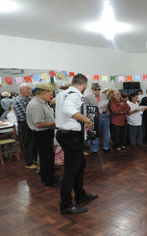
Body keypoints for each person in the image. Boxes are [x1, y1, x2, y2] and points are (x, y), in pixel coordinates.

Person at [55, 74, 98, 215]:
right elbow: (68, 110)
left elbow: (54, 103)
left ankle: (81, 195)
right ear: (84, 84)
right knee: (71, 171)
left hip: (66, 134)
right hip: (70, 136)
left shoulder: (63, 93)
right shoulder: (74, 94)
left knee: (80, 166)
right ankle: (65, 205)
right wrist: (87, 120)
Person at [26, 83, 60, 186]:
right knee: (47, 157)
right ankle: (49, 180)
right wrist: (56, 123)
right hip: (42, 134)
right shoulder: (36, 105)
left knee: (48, 157)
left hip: (46, 133)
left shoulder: (43, 102)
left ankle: (47, 176)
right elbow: (39, 124)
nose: (51, 95)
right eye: (50, 93)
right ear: (43, 93)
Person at [12, 83, 38, 169]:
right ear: (21, 90)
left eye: (30, 89)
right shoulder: (18, 100)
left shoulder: (31, 99)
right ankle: (28, 163)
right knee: (28, 143)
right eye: (27, 89)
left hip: (33, 122)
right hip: (24, 123)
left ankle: (35, 159)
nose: (29, 91)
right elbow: (25, 115)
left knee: (35, 142)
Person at [84, 83, 111, 156]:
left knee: (106, 132)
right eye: (96, 89)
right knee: (95, 132)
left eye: (99, 89)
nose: (98, 91)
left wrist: (108, 113)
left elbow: (108, 106)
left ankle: (106, 147)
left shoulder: (104, 96)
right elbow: (86, 108)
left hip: (104, 114)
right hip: (95, 116)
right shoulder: (87, 97)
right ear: (92, 89)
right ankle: (94, 149)